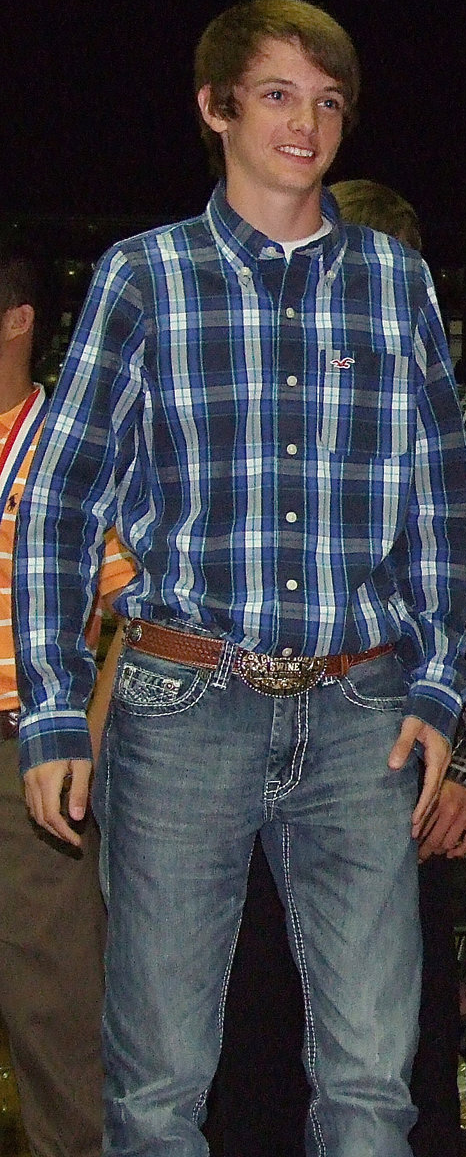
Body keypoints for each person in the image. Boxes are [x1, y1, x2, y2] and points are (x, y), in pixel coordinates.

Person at [13, 0, 466, 1157]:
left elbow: (438, 499)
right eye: (276, 95)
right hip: (181, 707)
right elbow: (59, 501)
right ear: (214, 108)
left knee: (373, 1084)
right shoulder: (142, 277)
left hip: (362, 709)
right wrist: (56, 708)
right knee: (157, 1088)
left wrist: (436, 687)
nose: (305, 124)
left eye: (327, 102)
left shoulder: (395, 284)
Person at [205, 178, 466, 1157]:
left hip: (395, 803)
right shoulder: (242, 415)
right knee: (252, 1065)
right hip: (248, 800)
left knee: (393, 1066)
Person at [0, 247, 135, 1157]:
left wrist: (88, 730)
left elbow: (139, 609)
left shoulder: (73, 444)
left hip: (24, 755)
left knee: (54, 1013)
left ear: (18, 321)